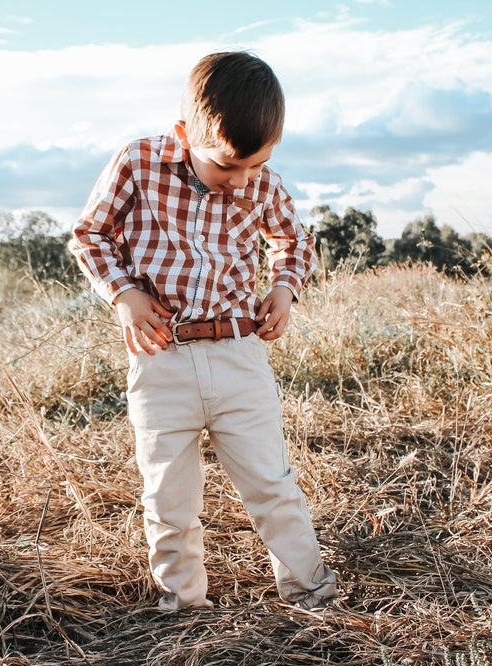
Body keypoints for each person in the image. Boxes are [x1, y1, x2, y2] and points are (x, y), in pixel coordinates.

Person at [69, 51, 337, 611]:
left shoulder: (260, 184)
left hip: (239, 355)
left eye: (256, 165)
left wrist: (284, 289)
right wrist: (125, 294)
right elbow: (89, 235)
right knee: (168, 498)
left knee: (272, 486)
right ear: (185, 133)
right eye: (226, 165)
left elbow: (295, 241)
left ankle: (311, 594)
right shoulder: (138, 162)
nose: (240, 181)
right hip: (161, 356)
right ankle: (183, 609)